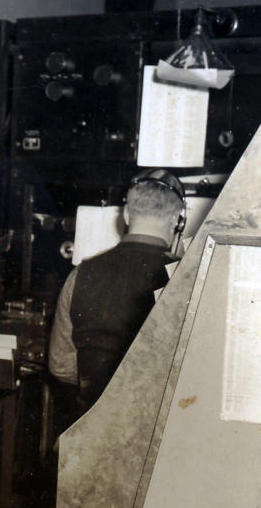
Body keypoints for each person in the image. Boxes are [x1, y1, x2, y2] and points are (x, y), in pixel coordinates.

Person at [48, 168, 185, 414]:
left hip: (90, 422)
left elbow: (60, 365)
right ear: (178, 219)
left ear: (127, 214)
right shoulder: (184, 277)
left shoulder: (80, 273)